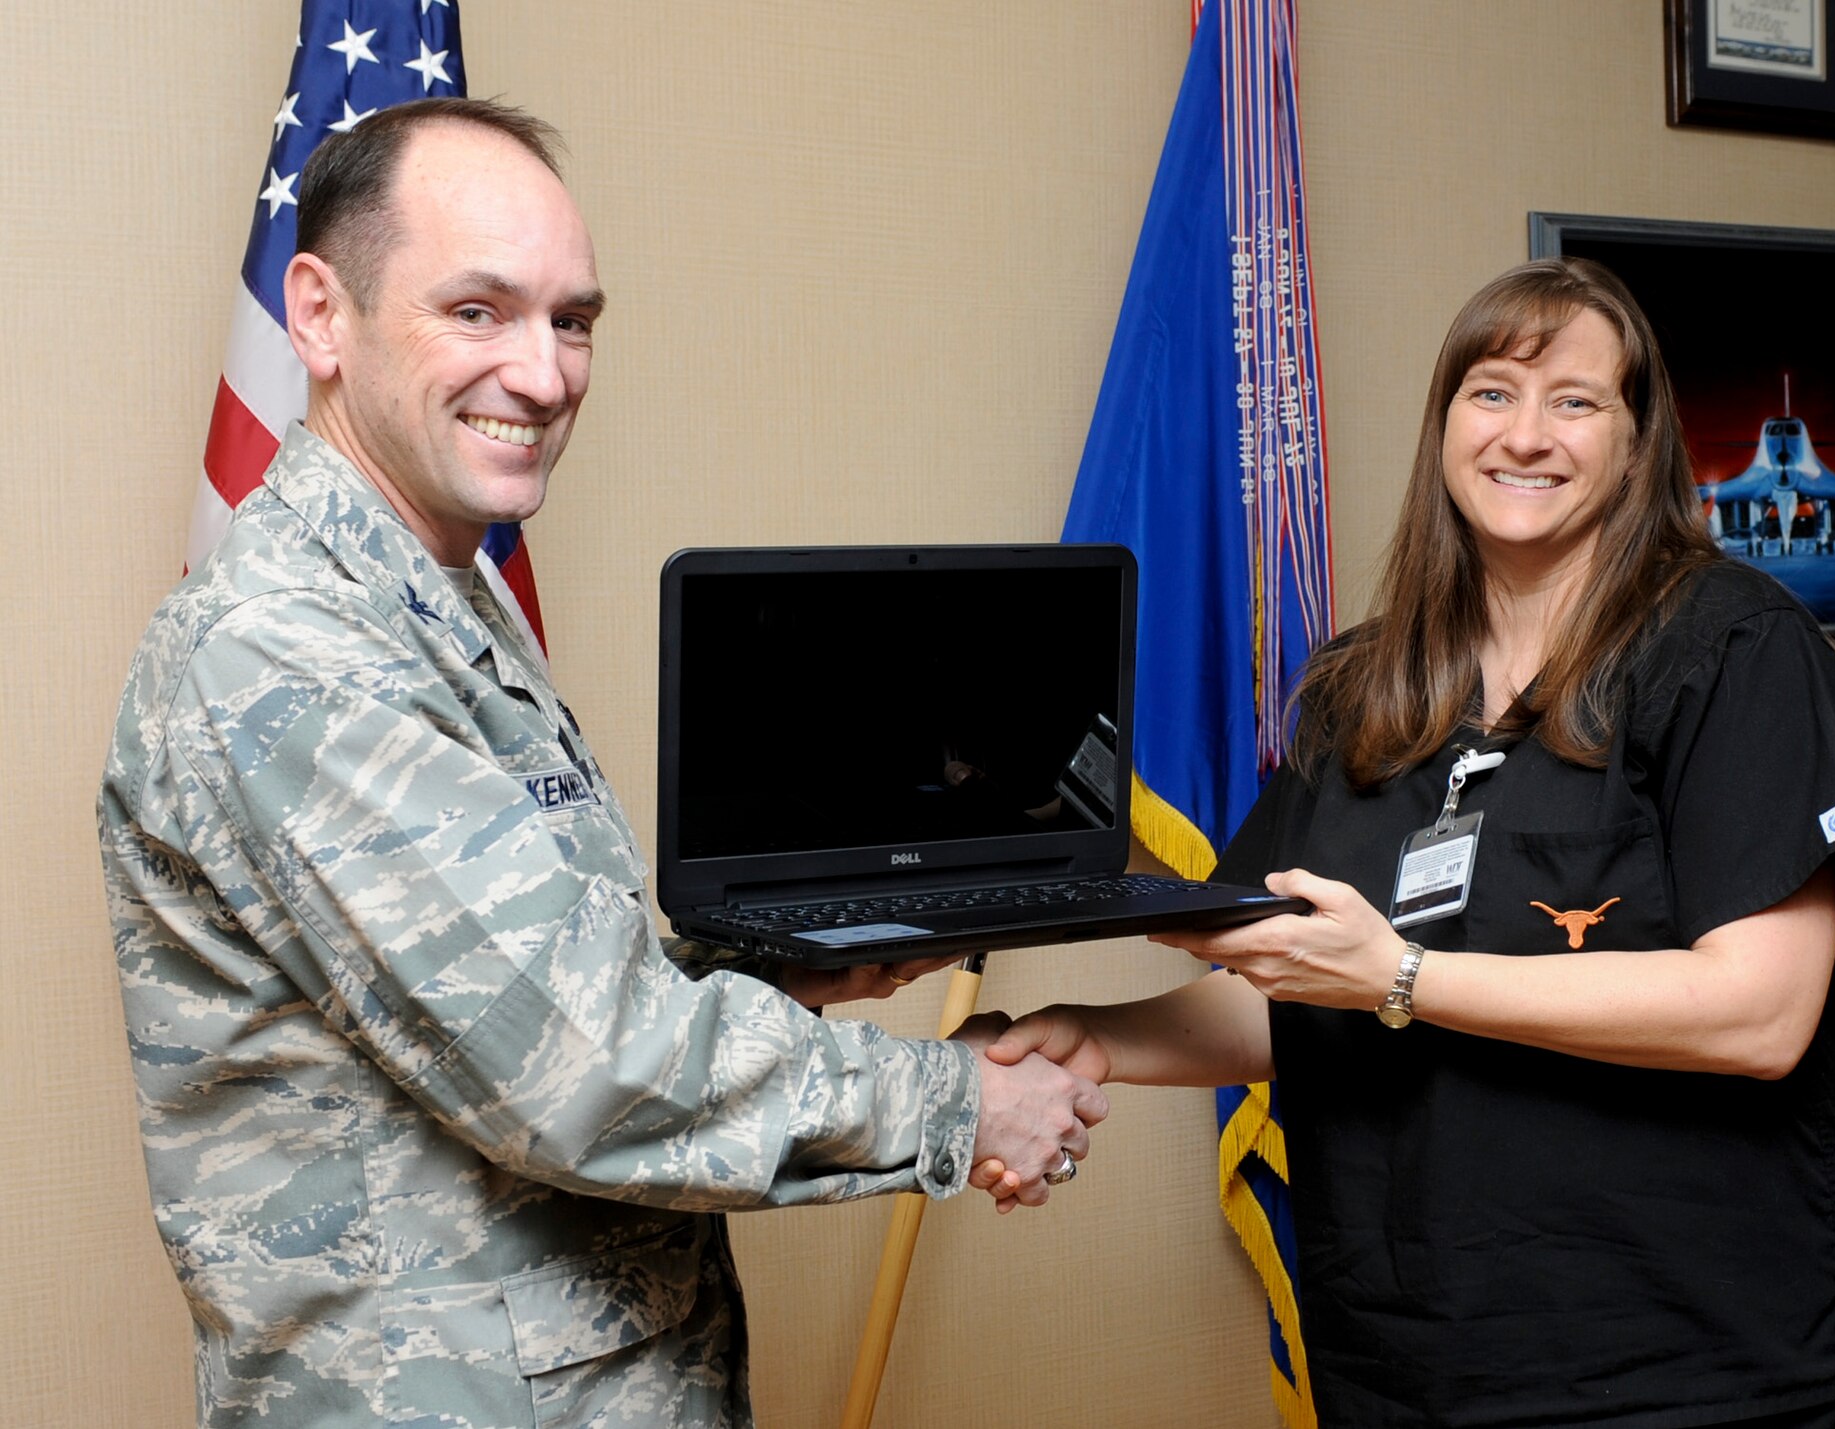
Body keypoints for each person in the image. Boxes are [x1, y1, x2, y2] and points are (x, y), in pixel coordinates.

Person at [98, 98, 1104, 1429]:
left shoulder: (443, 590)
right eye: (479, 311)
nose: (545, 372)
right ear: (321, 316)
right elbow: (583, 1067)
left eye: (572, 320)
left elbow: (534, 974)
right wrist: (958, 1104)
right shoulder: (285, 650)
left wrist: (786, 965)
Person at [978, 258, 1835, 1426]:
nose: (1527, 434)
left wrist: (1405, 975)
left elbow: (1759, 1014)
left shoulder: (1730, 651)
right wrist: (1094, 1040)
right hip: (1414, 1364)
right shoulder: (1363, 687)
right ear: (1444, 425)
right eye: (1491, 392)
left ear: (1634, 442)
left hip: (1695, 1368)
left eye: (1574, 401)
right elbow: (1307, 987)